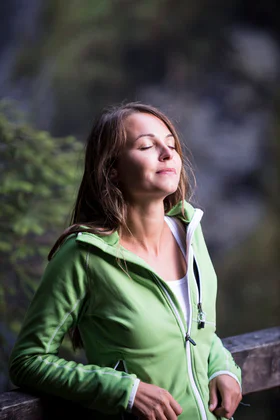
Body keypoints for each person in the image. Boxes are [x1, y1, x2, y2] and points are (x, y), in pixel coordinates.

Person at [9, 103, 242, 420]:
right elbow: (28, 360)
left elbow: (192, 329)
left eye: (171, 145)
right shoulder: (84, 255)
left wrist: (223, 366)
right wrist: (124, 390)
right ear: (112, 169)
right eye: (147, 145)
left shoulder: (190, 231)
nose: (167, 153)